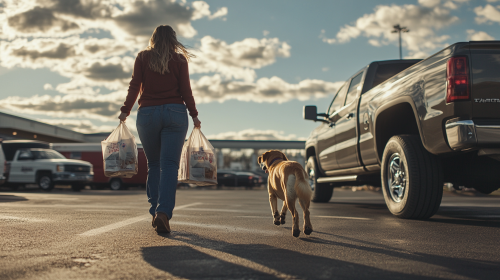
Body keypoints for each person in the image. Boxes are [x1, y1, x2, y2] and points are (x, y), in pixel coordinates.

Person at [118, 25, 201, 233]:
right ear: (173, 40)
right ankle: (163, 213)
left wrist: (125, 111)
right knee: (170, 165)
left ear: (153, 39)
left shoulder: (142, 57)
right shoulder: (180, 60)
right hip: (175, 113)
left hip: (147, 114)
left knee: (154, 164)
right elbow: (186, 89)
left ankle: (155, 210)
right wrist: (194, 115)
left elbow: (134, 85)